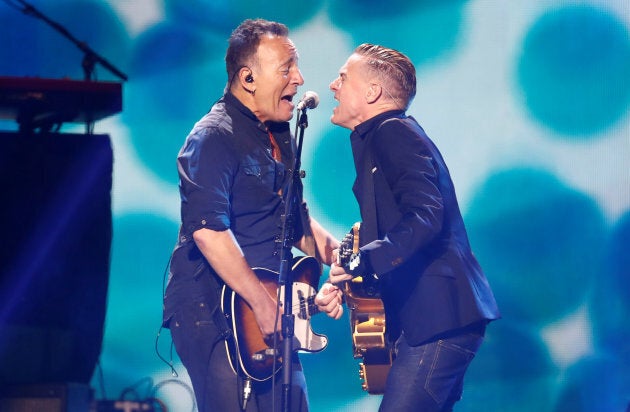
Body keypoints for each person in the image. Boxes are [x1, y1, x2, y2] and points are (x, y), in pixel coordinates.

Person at [162, 19, 339, 412]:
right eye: (287, 69)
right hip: (212, 312)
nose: (299, 78)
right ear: (248, 78)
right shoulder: (212, 137)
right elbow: (209, 232)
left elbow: (294, 223)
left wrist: (341, 257)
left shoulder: (279, 132)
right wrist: (261, 303)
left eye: (297, 66)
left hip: (268, 308)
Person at [315, 43, 500, 411]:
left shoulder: (392, 132)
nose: (333, 86)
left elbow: (425, 216)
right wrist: (351, 276)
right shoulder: (382, 137)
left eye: (343, 77)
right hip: (433, 321)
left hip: (438, 321)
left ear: (372, 92)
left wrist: (360, 262)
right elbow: (399, 234)